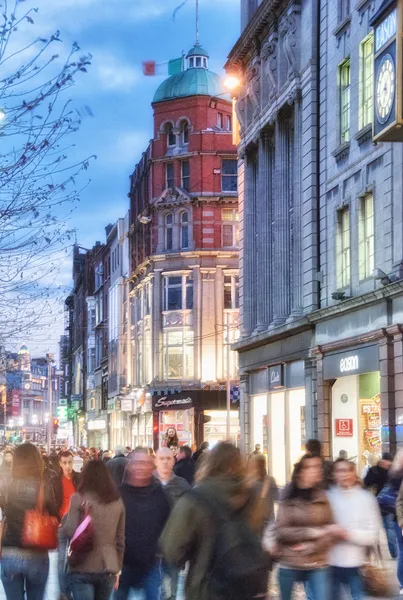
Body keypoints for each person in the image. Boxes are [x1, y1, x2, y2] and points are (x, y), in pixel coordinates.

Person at [160, 442, 269, 600]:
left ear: (210, 463)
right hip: (247, 587)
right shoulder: (253, 497)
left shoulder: (195, 499)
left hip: (207, 588)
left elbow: (172, 549)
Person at [272, 453, 339, 600]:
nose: (317, 470)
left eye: (319, 467)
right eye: (312, 467)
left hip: (317, 561)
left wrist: (312, 547)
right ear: (301, 471)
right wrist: (311, 532)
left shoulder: (323, 497)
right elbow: (281, 531)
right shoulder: (288, 496)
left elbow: (332, 530)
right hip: (289, 560)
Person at [1, 443, 58, 600]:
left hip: (9, 552)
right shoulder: (44, 485)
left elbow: (4, 512)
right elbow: (55, 516)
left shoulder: (6, 484)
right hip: (36, 553)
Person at [62, 460, 125, 600]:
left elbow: (70, 530)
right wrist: (118, 569)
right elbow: (120, 540)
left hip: (81, 565)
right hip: (107, 566)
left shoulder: (78, 498)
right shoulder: (117, 502)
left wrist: (64, 521)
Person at [114, 447, 170, 600]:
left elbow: (167, 524)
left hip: (150, 563)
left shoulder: (159, 493)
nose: (140, 467)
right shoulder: (119, 493)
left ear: (151, 466)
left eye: (145, 463)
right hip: (122, 563)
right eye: (137, 462)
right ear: (130, 465)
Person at [328, 458, 381, 599]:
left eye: (347, 470)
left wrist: (347, 534)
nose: (343, 475)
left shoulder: (366, 499)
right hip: (331, 563)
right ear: (333, 474)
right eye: (339, 471)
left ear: (354, 473)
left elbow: (373, 534)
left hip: (357, 564)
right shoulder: (328, 497)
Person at [155, 447, 190, 600]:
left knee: (172, 590)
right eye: (161, 459)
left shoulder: (182, 485)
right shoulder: (147, 483)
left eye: (168, 458)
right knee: (157, 589)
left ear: (174, 460)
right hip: (152, 546)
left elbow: (190, 515)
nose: (165, 462)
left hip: (174, 546)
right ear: (155, 461)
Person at [50, 450, 82, 600]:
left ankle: (74, 590)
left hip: (78, 526)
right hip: (62, 526)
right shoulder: (55, 481)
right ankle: (64, 594)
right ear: (60, 464)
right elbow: (51, 503)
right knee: (62, 560)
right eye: (64, 463)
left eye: (70, 462)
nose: (68, 466)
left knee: (77, 560)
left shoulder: (80, 479)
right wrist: (57, 520)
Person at [364, 451, 395, 558]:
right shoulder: (374, 470)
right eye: (385, 460)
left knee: (389, 528)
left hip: (388, 505)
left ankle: (394, 552)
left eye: (388, 461)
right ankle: (375, 551)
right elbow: (366, 483)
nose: (386, 463)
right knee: (375, 528)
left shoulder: (392, 471)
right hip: (375, 504)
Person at [247, 453, 278, 528]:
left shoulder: (250, 482)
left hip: (255, 522)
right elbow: (277, 497)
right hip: (269, 521)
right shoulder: (271, 480)